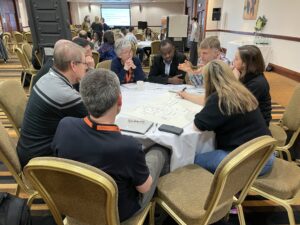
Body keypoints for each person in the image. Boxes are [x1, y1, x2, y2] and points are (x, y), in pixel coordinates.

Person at [52, 69, 168, 222]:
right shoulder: (129, 146)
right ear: (119, 101)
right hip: (117, 214)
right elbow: (144, 188)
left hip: (75, 205)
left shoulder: (64, 125)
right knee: (160, 150)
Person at [179, 60, 274, 175]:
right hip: (266, 153)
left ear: (209, 80)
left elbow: (198, 125)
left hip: (251, 161)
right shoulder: (240, 90)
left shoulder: (220, 98)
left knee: (189, 160)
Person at [17, 41, 88, 168]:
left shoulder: (48, 77)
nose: (87, 67)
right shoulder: (64, 95)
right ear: (73, 65)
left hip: (28, 150)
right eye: (84, 63)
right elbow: (98, 116)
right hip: (40, 164)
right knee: (95, 147)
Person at [232, 45, 272, 125]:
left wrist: (234, 81)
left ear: (245, 63)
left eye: (236, 59)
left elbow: (237, 105)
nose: (233, 60)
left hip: (257, 124)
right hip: (248, 116)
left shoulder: (257, 84)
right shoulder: (245, 74)